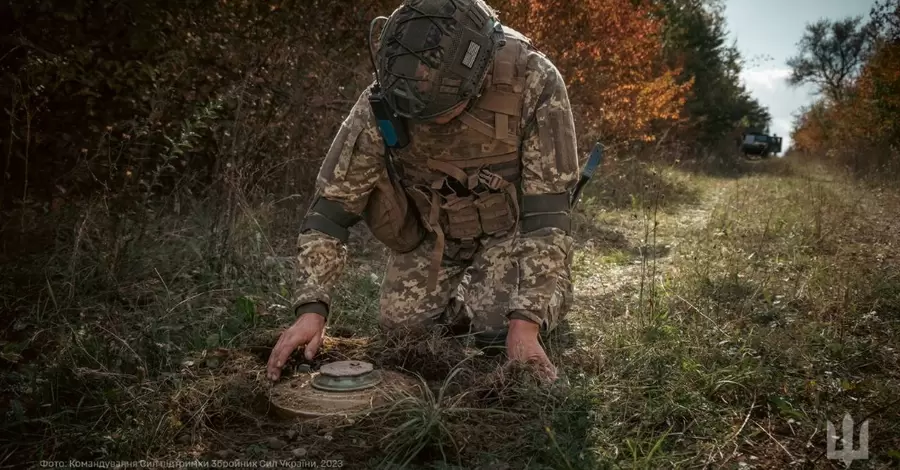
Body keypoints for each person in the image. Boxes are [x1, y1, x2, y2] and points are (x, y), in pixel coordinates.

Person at [266, 0, 579, 384]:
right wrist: (311, 309)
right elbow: (332, 207)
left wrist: (526, 322)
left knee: (498, 334)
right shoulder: (388, 99)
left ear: (475, 76)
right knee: (402, 330)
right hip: (437, 236)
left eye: (439, 107)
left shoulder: (532, 79)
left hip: (511, 232)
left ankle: (548, 293)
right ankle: (470, 301)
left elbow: (548, 215)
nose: (427, 122)